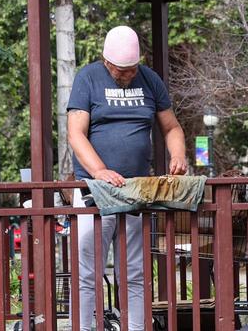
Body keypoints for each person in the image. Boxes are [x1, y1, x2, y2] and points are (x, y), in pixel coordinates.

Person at [67, 25, 188, 331]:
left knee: (135, 270)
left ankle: (134, 328)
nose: (129, 75)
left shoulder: (149, 79)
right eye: (122, 71)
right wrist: (99, 170)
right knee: (88, 270)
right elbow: (75, 133)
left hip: (136, 189)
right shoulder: (88, 78)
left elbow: (171, 127)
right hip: (95, 189)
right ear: (107, 62)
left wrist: (178, 155)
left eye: (132, 68)